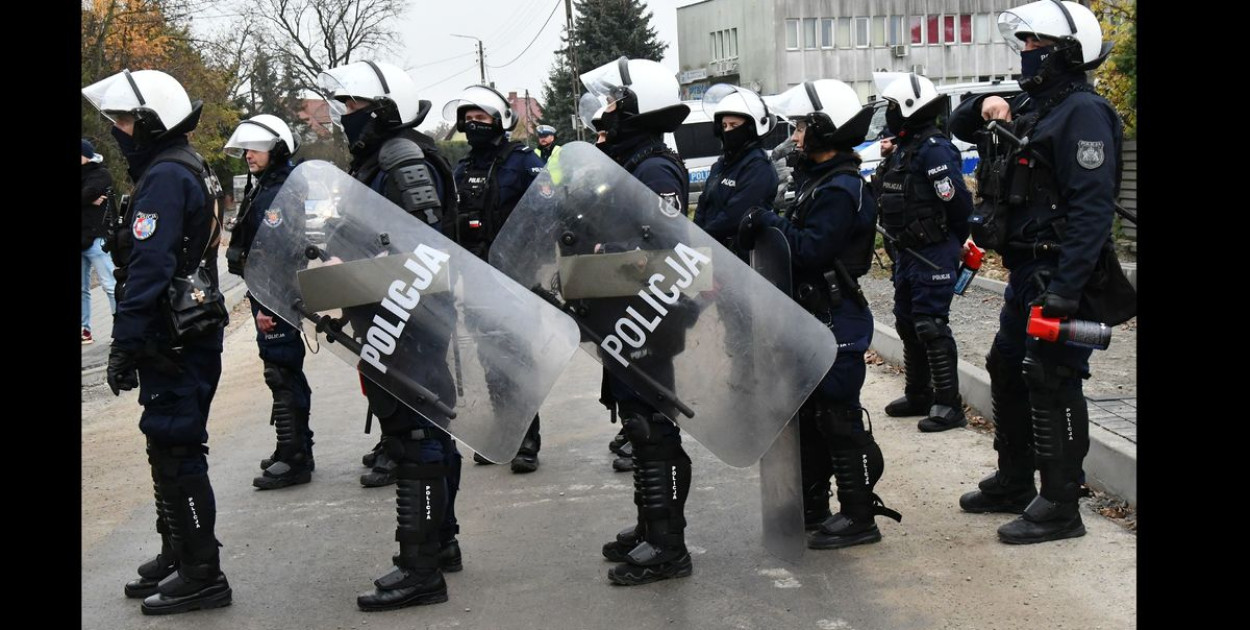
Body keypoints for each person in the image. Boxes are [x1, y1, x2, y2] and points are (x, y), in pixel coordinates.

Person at [948, 0, 1122, 544]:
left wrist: (1066, 292)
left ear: (1066, 52)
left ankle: (1061, 504)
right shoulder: (1035, 106)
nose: (1025, 53)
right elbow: (958, 123)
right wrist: (989, 106)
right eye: (1022, 43)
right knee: (1007, 366)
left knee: (1053, 379)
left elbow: (1092, 211)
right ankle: (1014, 478)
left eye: (1033, 44)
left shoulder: (1083, 113)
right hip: (1025, 271)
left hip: (1060, 272)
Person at [83, 68, 232, 614]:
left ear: (147, 122)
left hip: (173, 337)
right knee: (165, 445)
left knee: (177, 448)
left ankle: (202, 572)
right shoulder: (186, 163)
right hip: (186, 329)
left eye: (124, 119)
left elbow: (149, 266)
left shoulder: (166, 176)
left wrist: (124, 342)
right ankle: (178, 551)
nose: (118, 130)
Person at [318, 59, 463, 610]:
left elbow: (418, 247)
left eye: (353, 106)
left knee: (416, 438)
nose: (345, 116)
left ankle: (421, 568)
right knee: (424, 432)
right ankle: (438, 544)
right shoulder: (378, 159)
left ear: (380, 109)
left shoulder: (401, 159)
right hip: (395, 318)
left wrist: (360, 269)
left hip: (411, 323)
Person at [737, 79, 902, 549]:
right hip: (809, 314)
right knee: (809, 416)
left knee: (838, 416)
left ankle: (857, 515)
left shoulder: (842, 187)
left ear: (827, 129)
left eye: (804, 126)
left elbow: (811, 249)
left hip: (836, 316)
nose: (796, 135)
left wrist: (770, 221)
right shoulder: (814, 180)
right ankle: (813, 506)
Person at [579, 56, 695, 585]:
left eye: (610, 102)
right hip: (627, 313)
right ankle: (651, 522)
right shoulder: (631, 161)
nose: (603, 112)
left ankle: (668, 544)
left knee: (653, 429)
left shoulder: (653, 168)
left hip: (651, 316)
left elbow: (664, 250)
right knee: (638, 422)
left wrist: (608, 251)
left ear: (635, 106)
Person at [441, 84, 546, 473]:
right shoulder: (463, 168)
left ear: (500, 121)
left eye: (481, 118)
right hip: (477, 278)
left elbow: (545, 212)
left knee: (518, 359)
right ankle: (505, 435)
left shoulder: (524, 162)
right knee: (490, 360)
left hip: (516, 279)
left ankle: (528, 439)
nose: (473, 124)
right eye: (468, 119)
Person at [873, 72, 974, 433]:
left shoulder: (934, 148)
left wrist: (951, 242)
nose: (890, 113)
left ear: (910, 109)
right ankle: (918, 393)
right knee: (906, 321)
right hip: (908, 253)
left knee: (931, 324)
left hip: (933, 251)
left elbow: (958, 204)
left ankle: (949, 404)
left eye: (893, 107)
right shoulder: (905, 148)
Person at [222, 114, 316, 490]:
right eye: (246, 148)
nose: (248, 154)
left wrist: (264, 305)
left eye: (257, 148)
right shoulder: (268, 185)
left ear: (276, 148)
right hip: (270, 293)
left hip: (275, 295)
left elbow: (274, 253)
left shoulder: (280, 189)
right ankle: (293, 446)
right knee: (280, 371)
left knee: (282, 372)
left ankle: (295, 458)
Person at [692, 84, 780, 259]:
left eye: (734, 125)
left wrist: (703, 238)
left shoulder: (759, 167)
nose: (727, 131)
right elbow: (703, 203)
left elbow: (735, 215)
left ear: (751, 128)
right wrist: (696, 235)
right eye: (724, 126)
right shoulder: (721, 164)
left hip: (741, 260)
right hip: (711, 253)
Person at [81, 138, 117, 344]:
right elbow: (86, 196)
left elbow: (89, 192)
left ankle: (121, 326)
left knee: (110, 285)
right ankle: (84, 330)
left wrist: (87, 198)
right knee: (81, 288)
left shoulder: (101, 174)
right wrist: (87, 201)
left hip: (96, 239)